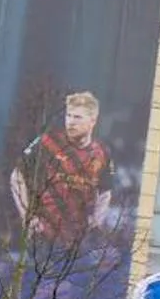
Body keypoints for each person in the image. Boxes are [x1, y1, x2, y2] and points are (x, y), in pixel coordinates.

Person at [10, 90, 116, 248]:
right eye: (68, 116)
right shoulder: (48, 142)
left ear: (92, 121)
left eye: (77, 117)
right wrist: (27, 216)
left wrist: (96, 222)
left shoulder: (102, 153)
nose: (70, 122)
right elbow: (17, 176)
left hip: (77, 242)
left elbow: (105, 192)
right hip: (42, 237)